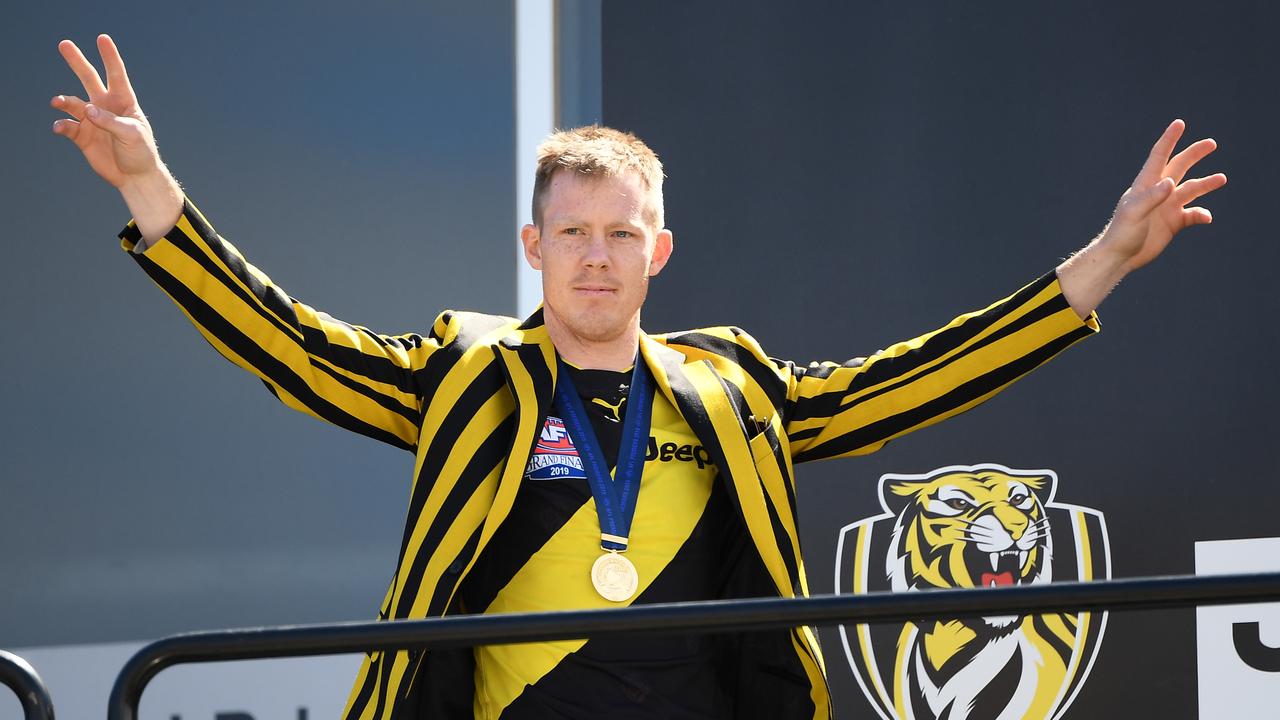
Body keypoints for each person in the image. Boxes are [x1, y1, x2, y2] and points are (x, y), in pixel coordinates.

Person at [51, 34, 1225, 720]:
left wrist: (1106, 258)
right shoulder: (467, 373)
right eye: (572, 234)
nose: (597, 257)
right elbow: (294, 348)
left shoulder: (729, 386)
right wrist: (153, 194)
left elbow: (908, 383)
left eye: (622, 233)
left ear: (658, 250)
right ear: (533, 249)